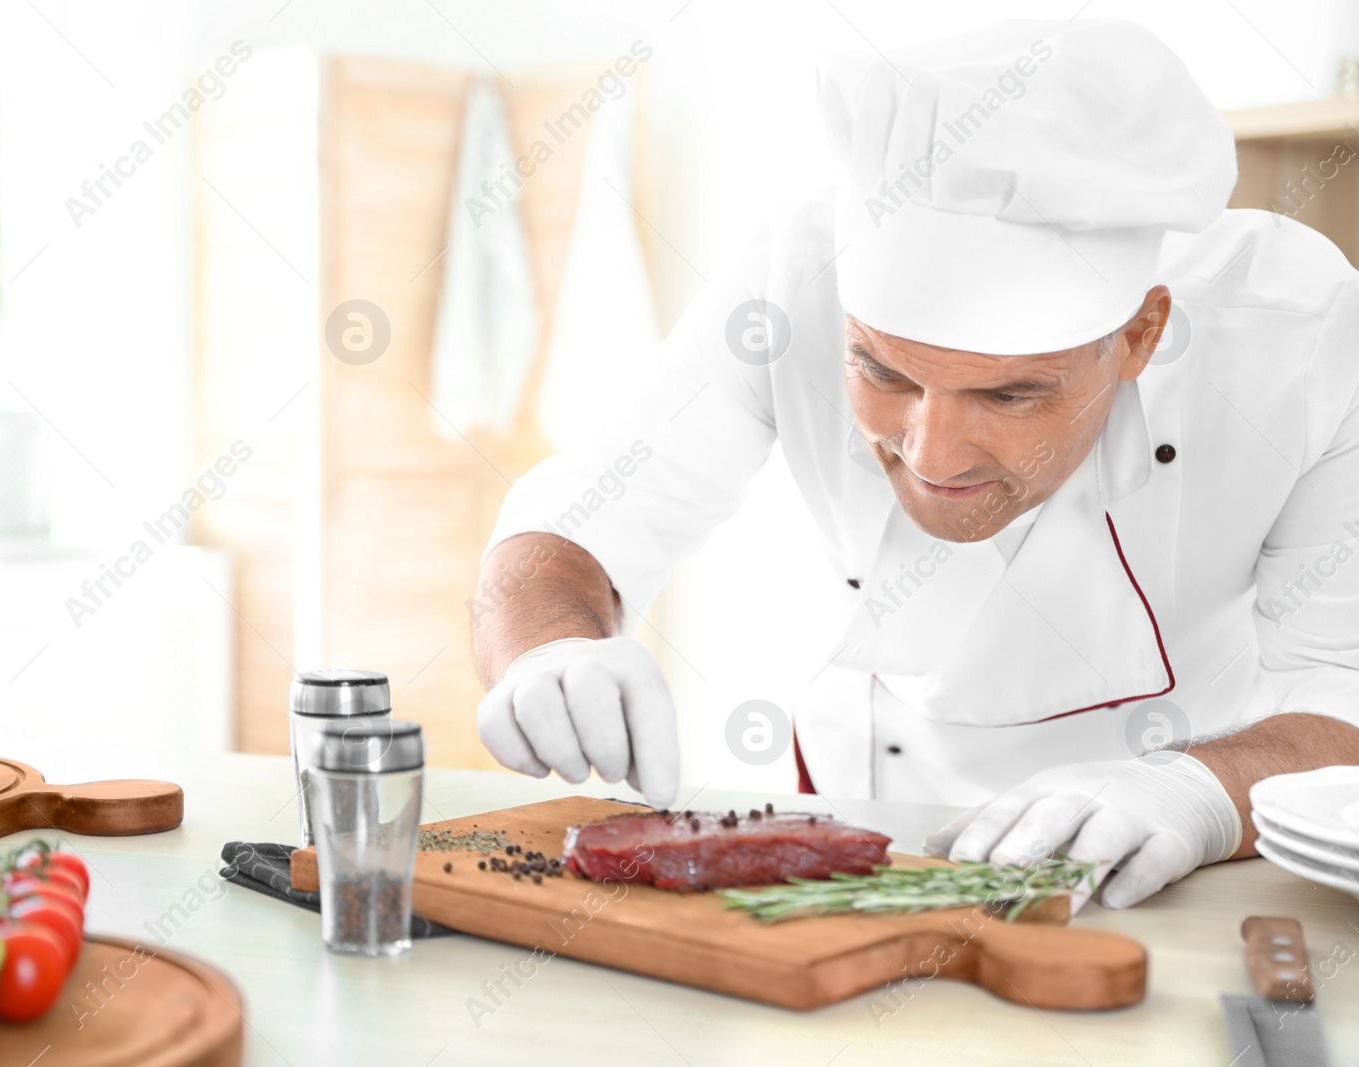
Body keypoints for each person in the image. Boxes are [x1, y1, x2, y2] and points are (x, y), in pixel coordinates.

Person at [469, 18, 1359, 908]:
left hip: (1179, 858)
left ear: (1138, 335)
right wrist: (549, 649)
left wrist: (1192, 792)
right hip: (868, 824)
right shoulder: (794, 278)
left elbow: (1343, 689)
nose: (931, 455)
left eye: (1010, 396)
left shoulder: (1296, 337)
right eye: (881, 371)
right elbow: (578, 517)